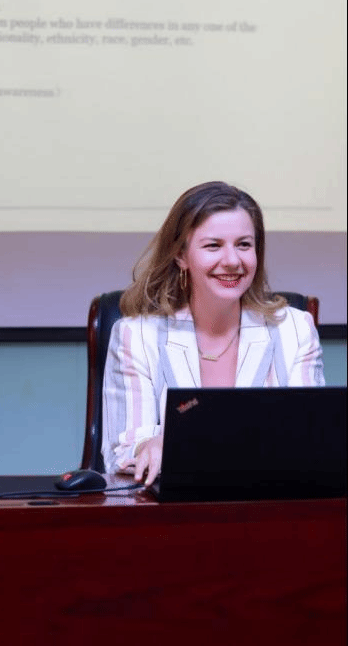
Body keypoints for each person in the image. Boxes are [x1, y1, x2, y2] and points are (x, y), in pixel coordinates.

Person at [102, 181, 325, 485]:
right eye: (213, 246)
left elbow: (310, 443)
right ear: (180, 255)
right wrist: (147, 447)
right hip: (172, 507)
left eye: (244, 245)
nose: (232, 261)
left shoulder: (295, 330)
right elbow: (123, 448)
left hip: (269, 502)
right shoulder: (136, 336)